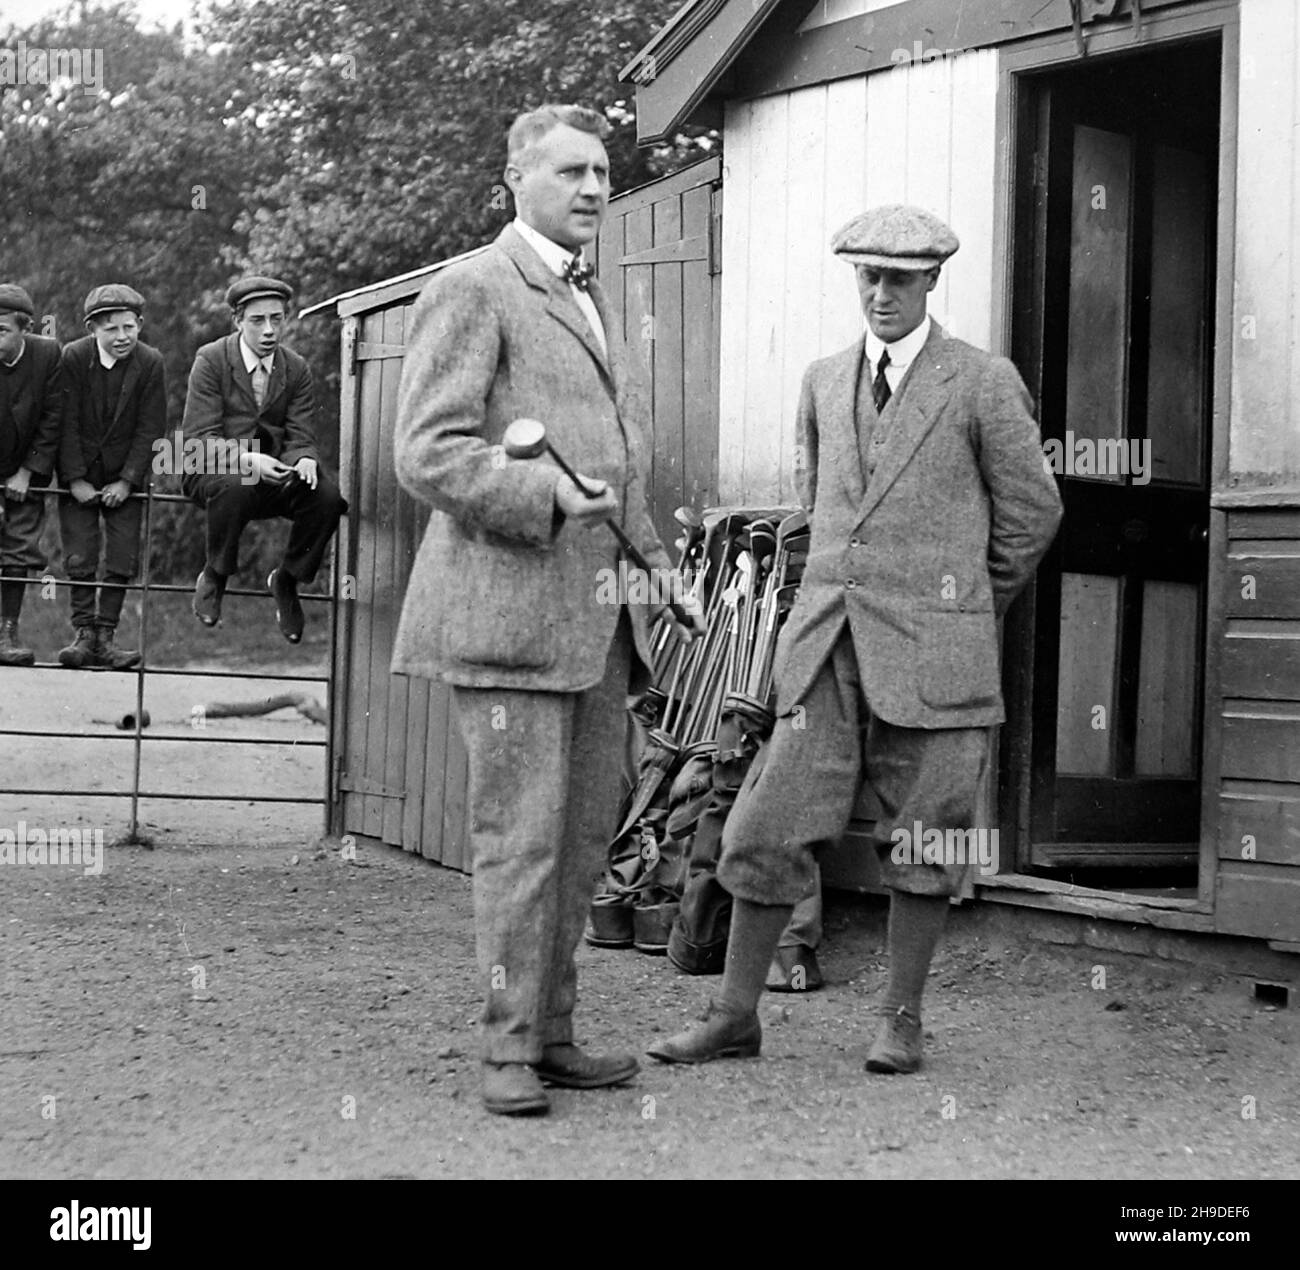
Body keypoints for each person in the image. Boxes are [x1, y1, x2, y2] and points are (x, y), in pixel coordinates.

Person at [649, 205, 1064, 1074]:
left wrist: (957, 607)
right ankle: (734, 1014)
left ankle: (901, 1021)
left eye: (899, 279)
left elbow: (1032, 512)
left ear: (931, 283)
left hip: (936, 656)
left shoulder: (980, 382)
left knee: (924, 840)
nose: (881, 294)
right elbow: (816, 511)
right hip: (826, 645)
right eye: (868, 278)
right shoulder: (823, 379)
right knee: (762, 827)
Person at [391, 103, 700, 1117]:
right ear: (515, 179)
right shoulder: (474, 286)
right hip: (506, 622)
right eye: (569, 170)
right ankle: (506, 1050)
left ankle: (553, 1030)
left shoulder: (593, 298)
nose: (593, 188)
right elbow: (428, 450)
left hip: (596, 625)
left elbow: (614, 477)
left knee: (575, 848)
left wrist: (662, 576)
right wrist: (540, 496)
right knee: (517, 847)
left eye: (603, 170)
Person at [180, 275, 346, 642]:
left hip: (270, 476)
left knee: (327, 498)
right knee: (237, 485)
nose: (269, 330)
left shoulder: (296, 368)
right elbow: (197, 440)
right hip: (211, 471)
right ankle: (215, 574)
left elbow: (301, 434)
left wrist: (303, 459)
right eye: (258, 321)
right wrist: (248, 460)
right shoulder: (210, 360)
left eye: (277, 318)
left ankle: (287, 580)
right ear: (238, 321)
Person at [57, 284, 168, 670]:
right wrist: (74, 478)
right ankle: (84, 634)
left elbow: (151, 427)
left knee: (122, 555)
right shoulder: (72, 357)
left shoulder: (151, 362)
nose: (122, 337)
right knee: (80, 553)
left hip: (126, 476)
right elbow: (64, 421)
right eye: (111, 329)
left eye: (130, 327)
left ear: (139, 325)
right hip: (80, 475)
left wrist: (128, 480)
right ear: (93, 329)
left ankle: (106, 635)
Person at [0, 284, 62, 667]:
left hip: (26, 468)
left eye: (1, 329)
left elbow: (54, 417)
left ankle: (7, 631)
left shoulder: (47, 354)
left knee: (19, 546)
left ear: (24, 328)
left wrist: (27, 472)